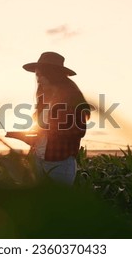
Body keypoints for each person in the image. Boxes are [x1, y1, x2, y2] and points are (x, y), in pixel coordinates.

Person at [19, 52, 90, 185]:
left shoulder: (71, 99)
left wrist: (47, 130)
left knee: (58, 204)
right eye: (37, 75)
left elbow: (79, 130)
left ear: (53, 74)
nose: (38, 79)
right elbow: (42, 138)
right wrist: (25, 137)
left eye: (41, 74)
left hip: (60, 164)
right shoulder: (43, 100)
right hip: (37, 161)